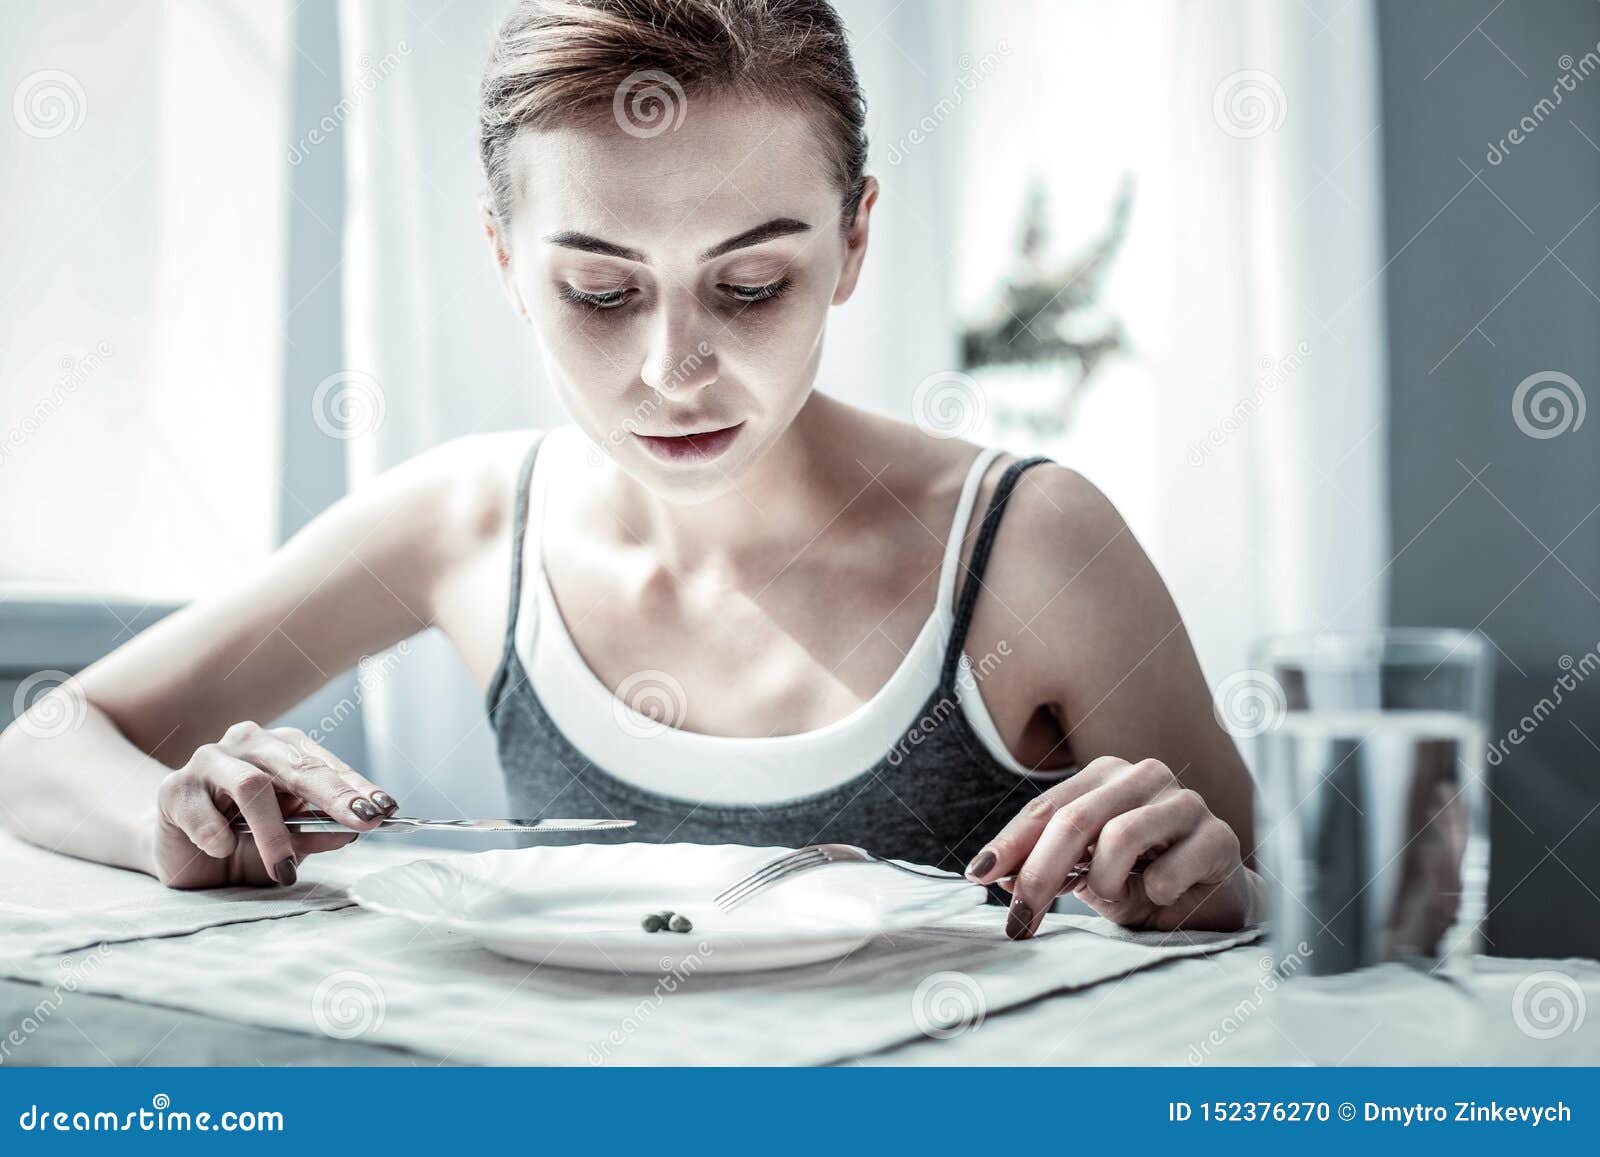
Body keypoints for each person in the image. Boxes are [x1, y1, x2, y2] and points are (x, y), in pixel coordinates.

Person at [0, 0, 1263, 939]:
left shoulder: (1034, 549)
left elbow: (1280, 929)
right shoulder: (467, 522)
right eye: (599, 291)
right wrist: (169, 822)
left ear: (856, 239)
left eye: (753, 283)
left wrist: (1214, 890)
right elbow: (46, 741)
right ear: (504, 262)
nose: (675, 368)